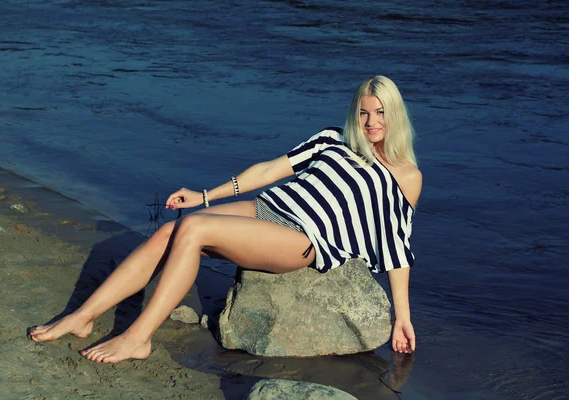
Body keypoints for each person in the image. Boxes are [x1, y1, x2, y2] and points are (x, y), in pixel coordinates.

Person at [29, 75, 422, 363]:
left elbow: (396, 243)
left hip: (303, 239)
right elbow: (269, 172)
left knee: (196, 228)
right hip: (269, 208)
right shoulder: (333, 138)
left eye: (381, 112)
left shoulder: (407, 175)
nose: (371, 121)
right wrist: (204, 195)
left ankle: (138, 337)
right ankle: (83, 316)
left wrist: (401, 317)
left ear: (395, 114)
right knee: (173, 228)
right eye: (364, 112)